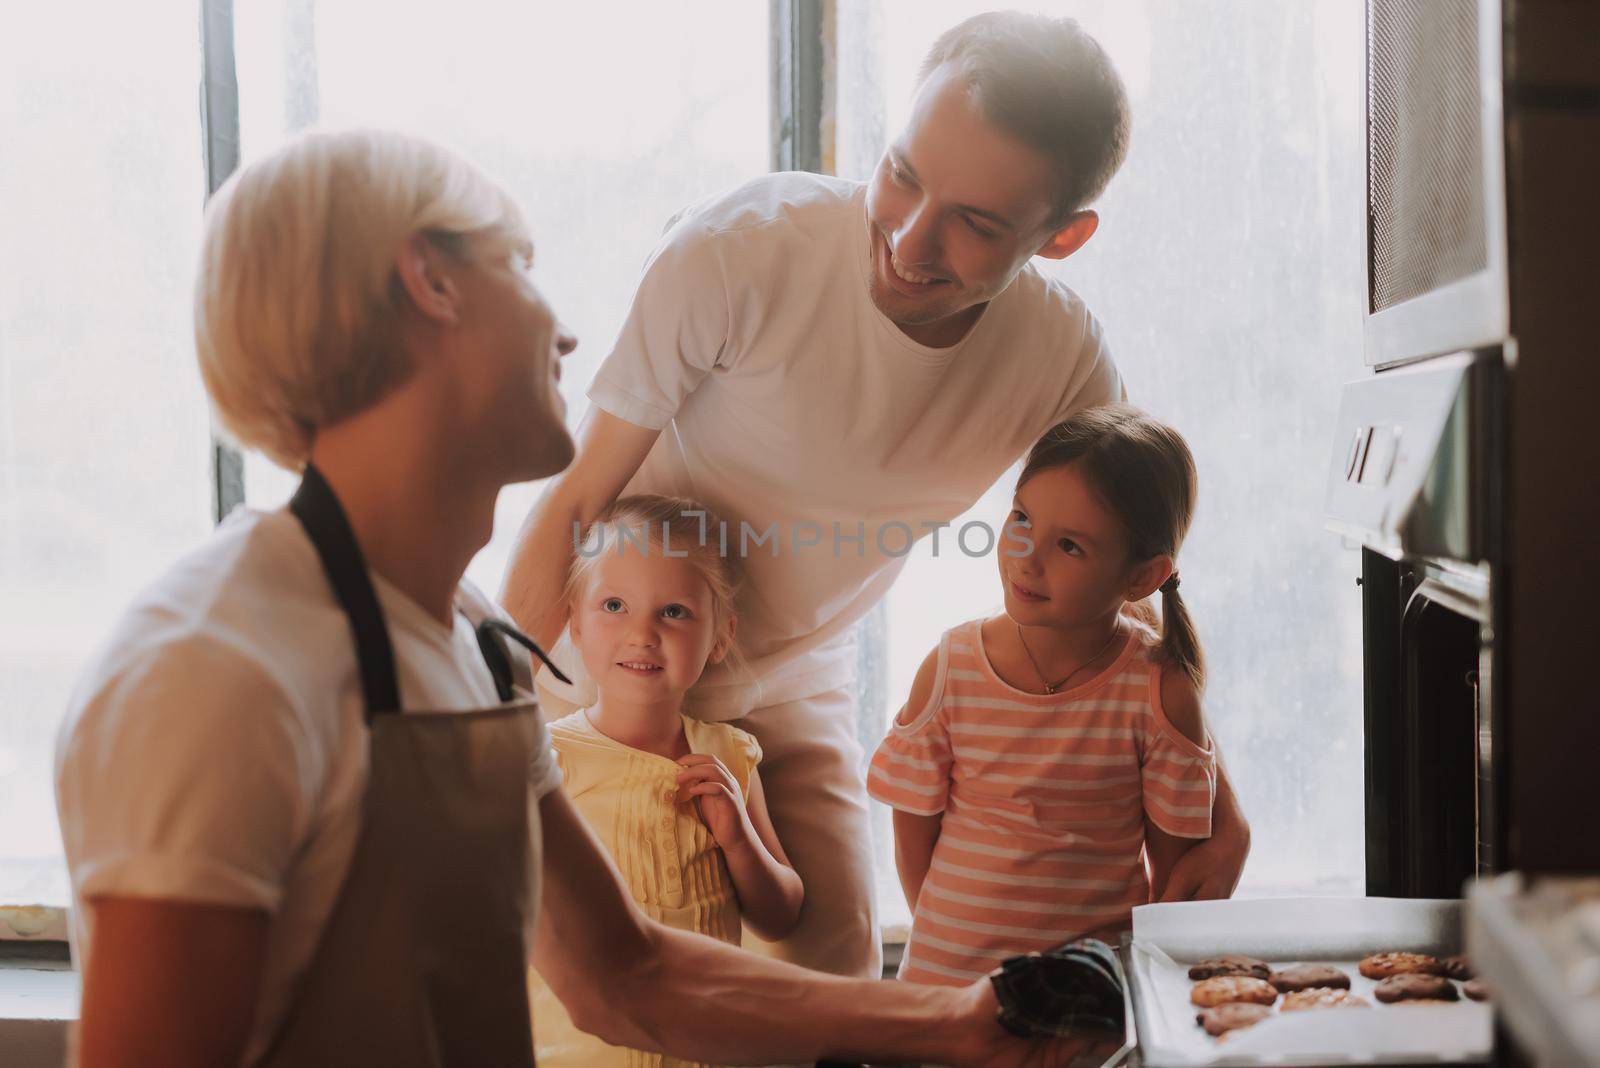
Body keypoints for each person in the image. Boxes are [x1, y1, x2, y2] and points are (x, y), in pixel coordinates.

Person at [53, 127, 1117, 1067]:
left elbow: (629, 978)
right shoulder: (214, 670)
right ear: (430, 283)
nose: (567, 333)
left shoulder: (469, 642)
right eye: (522, 266)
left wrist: (960, 1025)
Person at [502, 10, 1251, 983]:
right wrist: (480, 721)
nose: (907, 238)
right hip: (610, 651)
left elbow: (1124, 580)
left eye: (976, 224)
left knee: (833, 979)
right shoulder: (736, 252)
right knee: (563, 973)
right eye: (901, 173)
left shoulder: (1059, 355)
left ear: (1062, 236)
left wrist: (1216, 806)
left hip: (790, 670)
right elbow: (575, 499)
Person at [869, 406, 1216, 984]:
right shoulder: (950, 667)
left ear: (1142, 577)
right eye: (1022, 519)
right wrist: (950, 939)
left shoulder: (1159, 691)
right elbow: (912, 833)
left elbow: (1170, 877)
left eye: (1071, 546)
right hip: (945, 990)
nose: (1027, 558)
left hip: (1085, 1008)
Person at [532, 494, 803, 1066]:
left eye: (673, 612)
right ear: (575, 624)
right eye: (613, 605)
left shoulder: (730, 755)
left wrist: (738, 842)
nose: (642, 634)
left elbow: (782, 915)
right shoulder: (545, 758)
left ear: (720, 636)